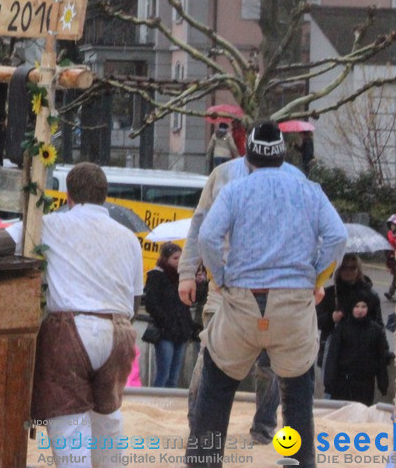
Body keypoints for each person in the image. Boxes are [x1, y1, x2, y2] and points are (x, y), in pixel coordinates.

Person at [185, 121, 347, 468]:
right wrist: (316, 279)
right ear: (283, 154)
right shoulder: (309, 189)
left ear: (248, 154)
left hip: (243, 299)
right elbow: (337, 237)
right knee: (297, 396)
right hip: (293, 301)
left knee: (215, 386)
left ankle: (203, 463)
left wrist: (221, 278)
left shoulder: (235, 188)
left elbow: (207, 237)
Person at [0, 163, 142, 467]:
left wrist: (30, 221)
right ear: (105, 195)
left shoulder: (53, 225)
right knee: (107, 420)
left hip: (71, 330)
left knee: (71, 428)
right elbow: (135, 303)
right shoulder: (129, 238)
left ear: (68, 196)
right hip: (120, 332)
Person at [178, 148, 306, 444]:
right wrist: (187, 272)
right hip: (226, 287)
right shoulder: (222, 175)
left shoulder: (293, 180)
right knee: (209, 355)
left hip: (274, 286)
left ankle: (262, 427)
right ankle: (199, 425)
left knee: (269, 362)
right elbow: (200, 225)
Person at [317, 253, 383, 369]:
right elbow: (316, 321)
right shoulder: (329, 294)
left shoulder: (370, 295)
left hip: (362, 356)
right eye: (344, 267)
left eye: (352, 267)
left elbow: (379, 326)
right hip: (333, 355)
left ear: (359, 270)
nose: (348, 271)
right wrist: (331, 318)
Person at [323, 294, 390, 406]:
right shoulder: (342, 328)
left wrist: (383, 384)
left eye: (363, 307)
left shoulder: (375, 330)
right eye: (357, 306)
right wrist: (329, 382)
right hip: (343, 383)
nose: (360, 310)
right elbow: (333, 356)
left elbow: (380, 358)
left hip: (365, 384)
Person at [144, 242, 196, 388]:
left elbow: (189, 302)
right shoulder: (156, 276)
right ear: (165, 259)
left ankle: (169, 409)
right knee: (164, 374)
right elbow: (151, 303)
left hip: (180, 332)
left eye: (181, 258)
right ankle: (155, 406)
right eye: (175, 258)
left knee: (174, 377)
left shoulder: (182, 278)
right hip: (164, 333)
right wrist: (166, 322)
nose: (179, 261)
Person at [384, 214, 396, 301]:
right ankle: (391, 293)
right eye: (391, 225)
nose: (392, 226)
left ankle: (391, 293)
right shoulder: (389, 234)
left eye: (394, 225)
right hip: (391, 257)